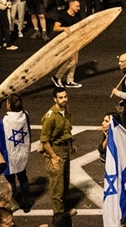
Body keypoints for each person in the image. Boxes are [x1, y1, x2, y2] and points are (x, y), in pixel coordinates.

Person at [40, 87, 76, 216]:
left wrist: (71, 143)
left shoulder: (65, 110)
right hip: (55, 150)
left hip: (64, 147)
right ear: (55, 99)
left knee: (64, 182)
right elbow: (44, 140)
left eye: (65, 96)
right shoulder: (50, 117)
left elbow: (67, 128)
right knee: (57, 186)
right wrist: (54, 157)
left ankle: (63, 211)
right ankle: (59, 217)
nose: (64, 99)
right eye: (60, 97)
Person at [0, 93, 31, 211]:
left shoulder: (4, 121)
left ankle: (11, 202)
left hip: (10, 155)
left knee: (11, 181)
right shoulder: (25, 115)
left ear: (9, 105)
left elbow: (0, 140)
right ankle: (26, 203)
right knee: (23, 177)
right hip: (22, 152)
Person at [50, 0, 83, 88]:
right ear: (71, 6)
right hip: (66, 41)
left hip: (75, 40)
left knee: (75, 61)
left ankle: (70, 81)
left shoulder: (78, 16)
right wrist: (64, 28)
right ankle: (57, 77)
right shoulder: (63, 16)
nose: (78, 8)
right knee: (71, 61)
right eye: (77, 6)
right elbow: (55, 28)